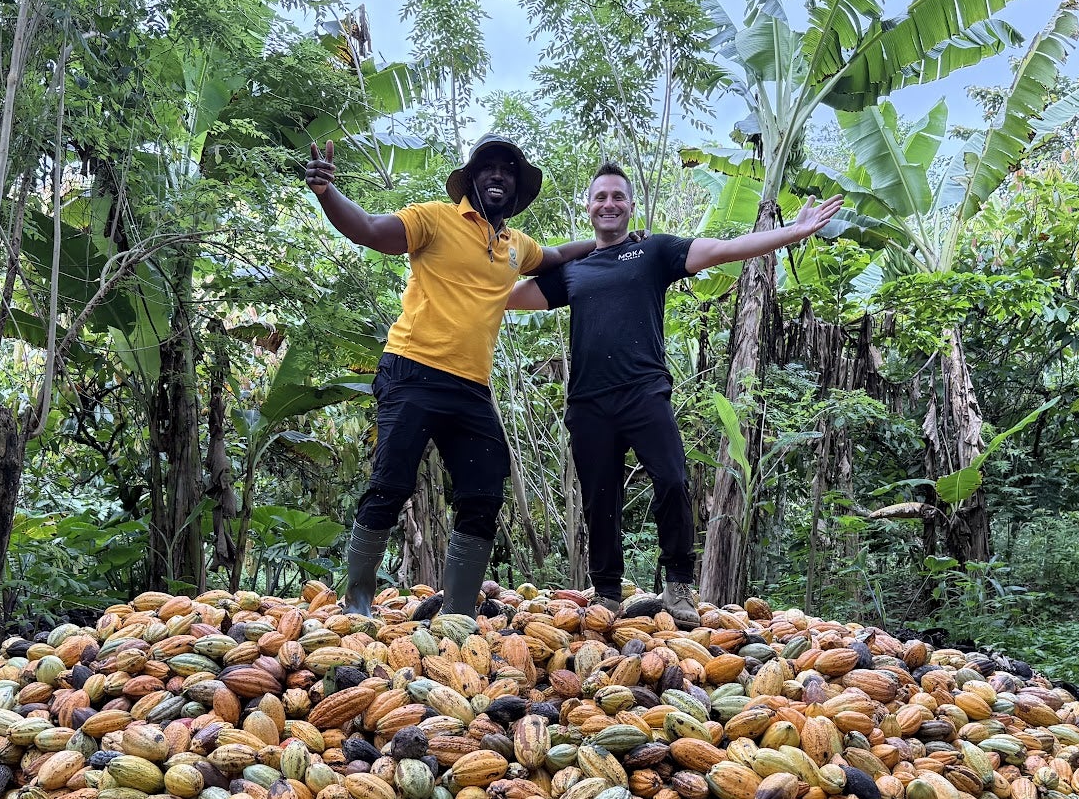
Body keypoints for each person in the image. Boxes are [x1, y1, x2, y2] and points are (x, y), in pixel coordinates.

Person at [508, 163, 841, 626]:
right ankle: (606, 593)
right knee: (598, 498)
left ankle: (678, 585)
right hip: (589, 402)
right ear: (588, 207)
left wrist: (793, 232)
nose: (609, 204)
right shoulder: (571, 272)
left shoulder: (653, 251)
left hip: (644, 392)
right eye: (599, 197)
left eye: (617, 197)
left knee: (671, 481)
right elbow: (501, 295)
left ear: (630, 205)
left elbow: (725, 250)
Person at [304, 134, 593, 618]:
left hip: (472, 387)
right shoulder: (434, 219)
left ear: (516, 188)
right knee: (391, 485)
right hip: (412, 370)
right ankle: (357, 601)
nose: (498, 174)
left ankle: (458, 613)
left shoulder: (514, 246)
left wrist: (615, 243)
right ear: (472, 179)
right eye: (488, 167)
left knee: (484, 490)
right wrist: (327, 192)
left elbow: (558, 255)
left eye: (508, 169)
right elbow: (371, 230)